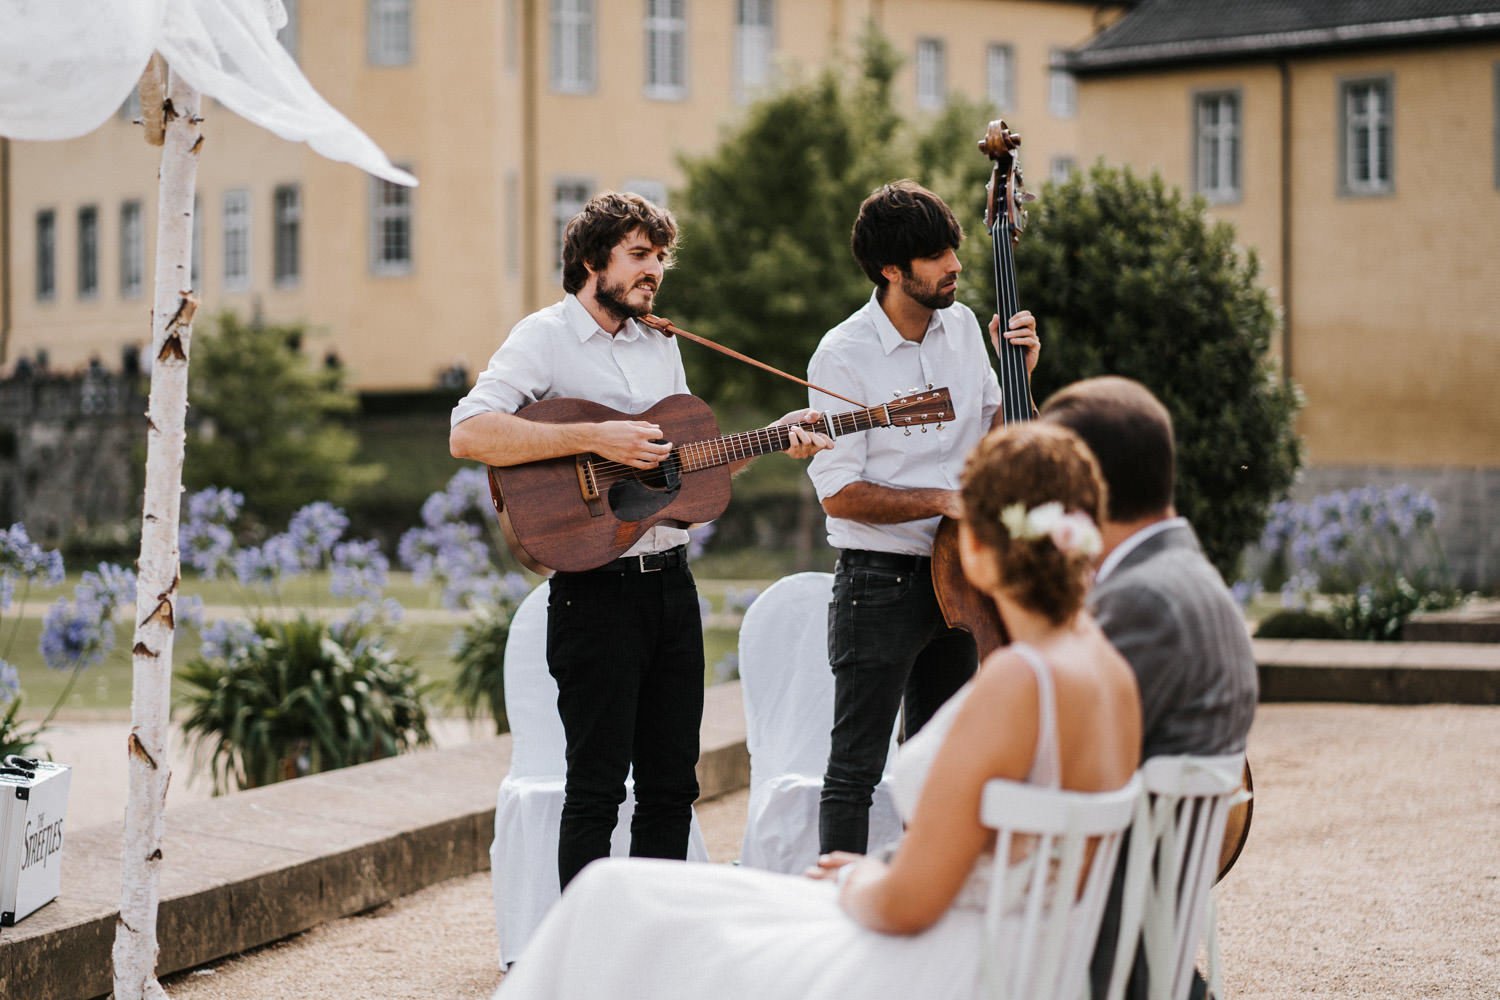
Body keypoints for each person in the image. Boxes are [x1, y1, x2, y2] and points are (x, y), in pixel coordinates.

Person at [493, 420, 1141, 1000]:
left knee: (626, 896)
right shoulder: (1107, 668)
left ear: (975, 547)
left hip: (956, 964)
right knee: (650, 897)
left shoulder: (1014, 684)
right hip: (1040, 953)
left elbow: (910, 904)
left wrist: (856, 880)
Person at [449, 191, 831, 889]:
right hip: (594, 596)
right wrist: (595, 437)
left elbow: (677, 473)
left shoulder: (662, 344)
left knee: (671, 792)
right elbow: (468, 432)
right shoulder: (544, 337)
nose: (654, 270)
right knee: (595, 793)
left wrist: (778, 436)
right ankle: (582, 963)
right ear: (594, 260)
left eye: (660, 257)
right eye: (638, 255)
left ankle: (650, 951)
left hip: (671, 591)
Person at [805, 179, 1039, 855]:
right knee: (855, 770)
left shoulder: (964, 328)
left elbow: (1001, 436)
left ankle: (932, 927)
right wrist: (942, 501)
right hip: (880, 583)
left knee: (942, 765)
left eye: (954, 249)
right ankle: (839, 933)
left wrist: (1020, 371)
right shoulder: (842, 354)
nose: (955, 265)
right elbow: (839, 491)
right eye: (936, 255)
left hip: (964, 579)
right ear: (890, 269)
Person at [1038, 375, 1259, 1000]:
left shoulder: (1143, 600)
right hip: (1143, 922)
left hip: (1089, 943)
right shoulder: (1184, 577)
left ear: (1083, 489)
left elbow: (1046, 778)